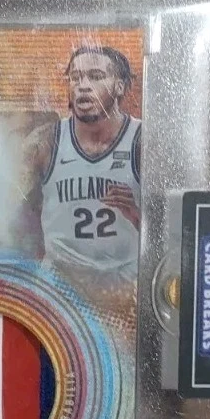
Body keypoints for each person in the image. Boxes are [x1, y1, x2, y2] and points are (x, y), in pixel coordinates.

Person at [18, 45, 142, 297]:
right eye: (76, 77)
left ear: (119, 86)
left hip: (124, 288)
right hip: (60, 289)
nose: (83, 86)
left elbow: (172, 231)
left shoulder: (142, 141)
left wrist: (138, 215)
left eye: (95, 77)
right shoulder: (44, 142)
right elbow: (15, 217)